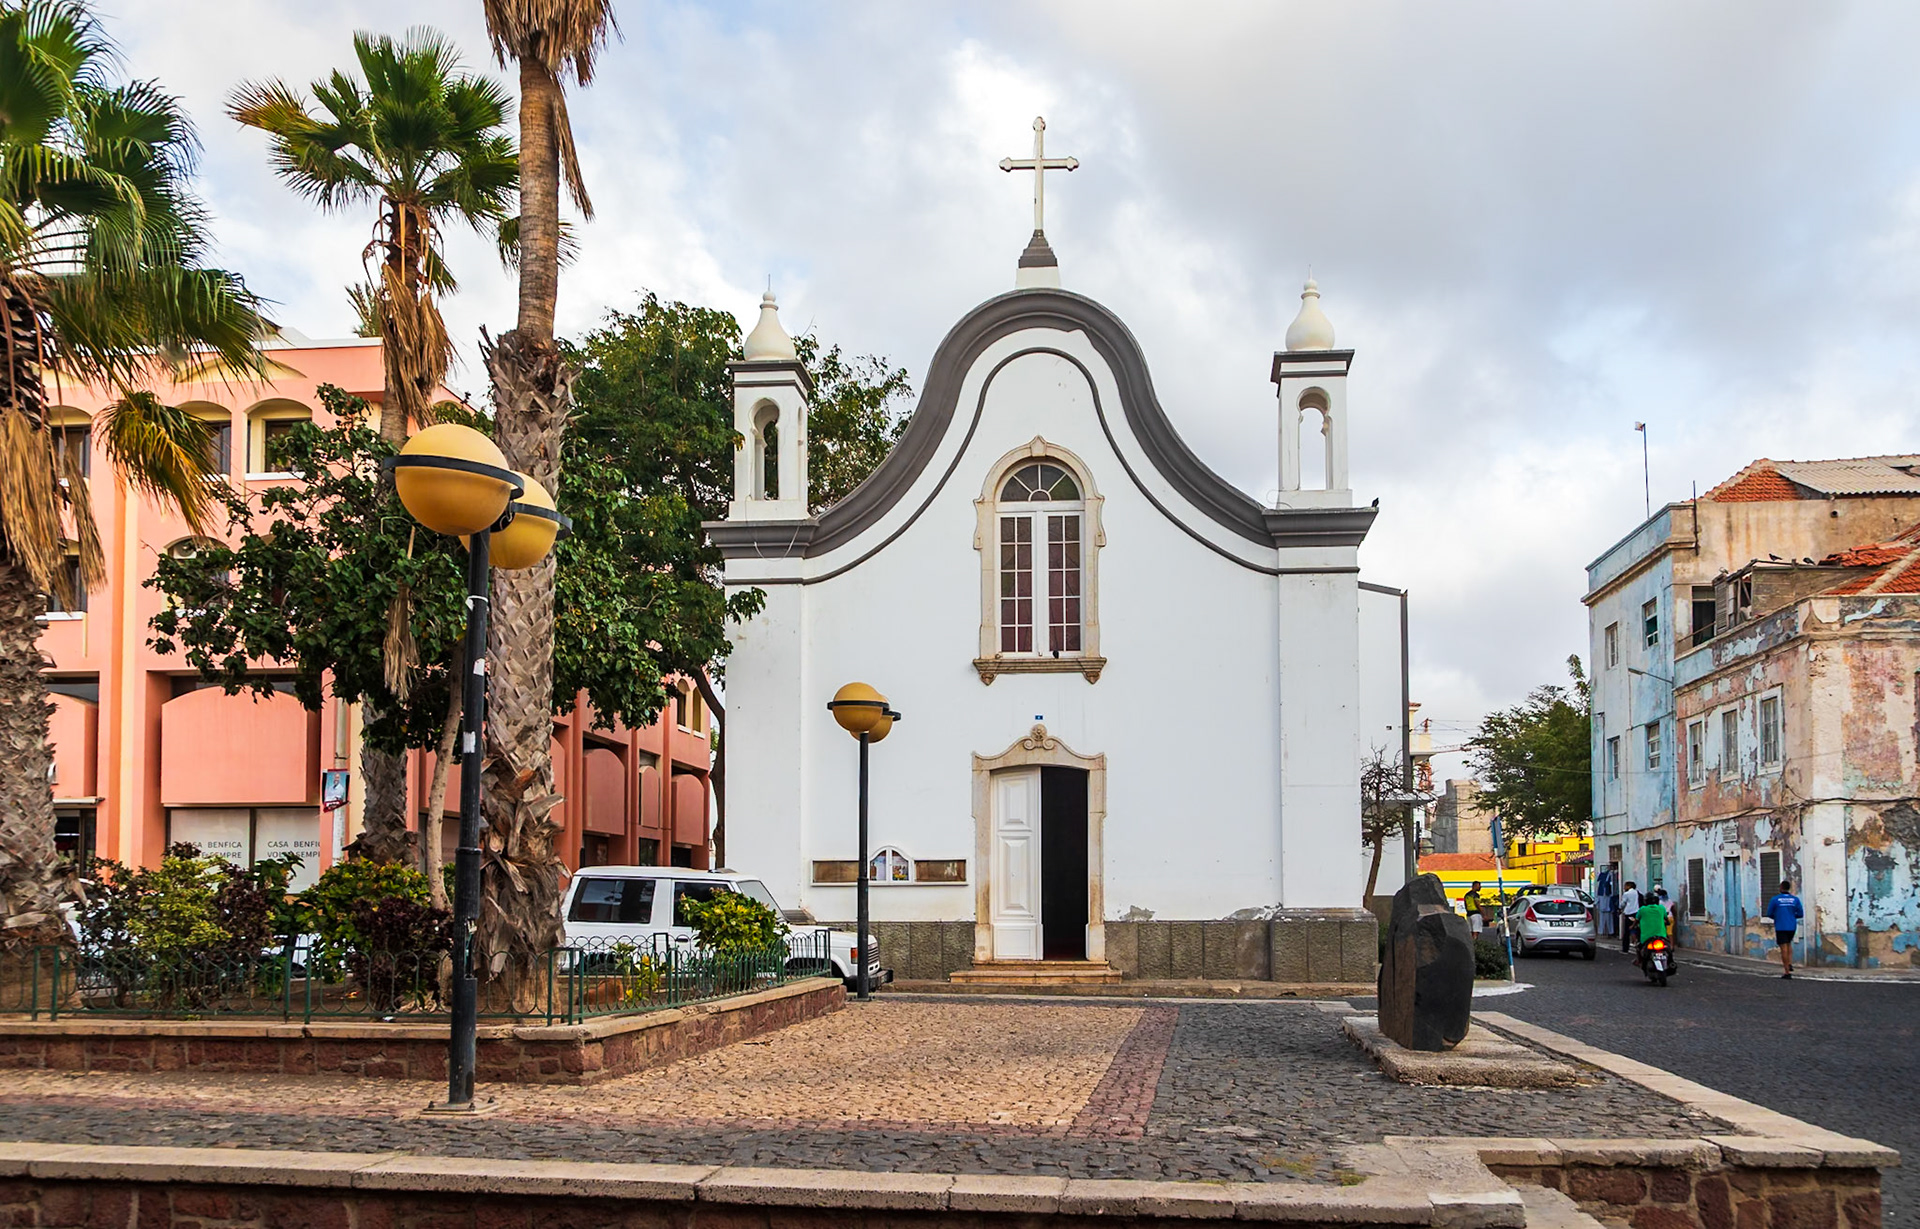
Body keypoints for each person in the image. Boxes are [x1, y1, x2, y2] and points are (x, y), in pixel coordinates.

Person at [1765, 880, 1805, 978]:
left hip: (1781, 926)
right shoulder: (1795, 900)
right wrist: (1791, 916)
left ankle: (1787, 972)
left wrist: (1778, 916)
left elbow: (1769, 913)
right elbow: (1800, 914)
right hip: (1792, 926)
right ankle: (1790, 962)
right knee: (1788, 944)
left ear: (1781, 888)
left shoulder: (1775, 899)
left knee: (1783, 948)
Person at [1618, 881, 1641, 952]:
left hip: (1629, 913)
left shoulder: (1627, 894)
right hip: (1636, 913)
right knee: (1637, 929)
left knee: (1626, 932)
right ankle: (1639, 945)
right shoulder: (1637, 893)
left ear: (1629, 886)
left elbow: (1623, 903)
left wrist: (1620, 909)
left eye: (1625, 886)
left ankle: (1625, 948)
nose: (1624, 887)